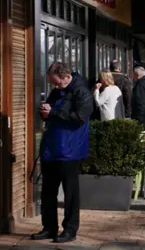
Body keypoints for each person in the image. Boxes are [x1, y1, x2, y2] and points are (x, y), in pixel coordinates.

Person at [31, 62, 94, 244]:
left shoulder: (81, 92)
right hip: (52, 148)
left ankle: (70, 230)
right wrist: (44, 112)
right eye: (53, 83)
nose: (55, 86)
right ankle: (49, 227)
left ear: (66, 76)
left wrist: (53, 112)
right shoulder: (58, 90)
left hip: (70, 149)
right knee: (48, 191)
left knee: (71, 194)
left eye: (57, 83)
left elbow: (80, 117)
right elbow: (50, 111)